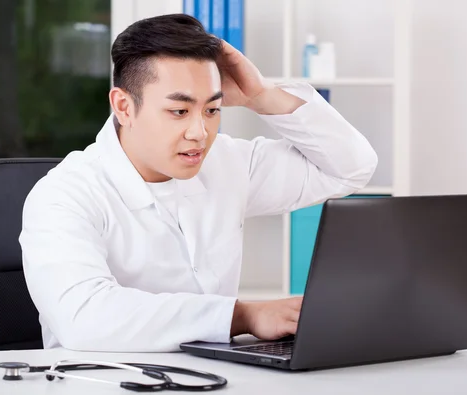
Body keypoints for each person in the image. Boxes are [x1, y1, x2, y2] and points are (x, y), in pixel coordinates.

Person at [19, 14, 378, 352]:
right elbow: (84, 318)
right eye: (179, 111)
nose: (199, 133)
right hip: (100, 380)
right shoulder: (63, 195)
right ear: (124, 107)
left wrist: (262, 95)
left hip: (218, 378)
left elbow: (350, 167)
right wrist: (241, 316)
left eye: (212, 110)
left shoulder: (227, 162)